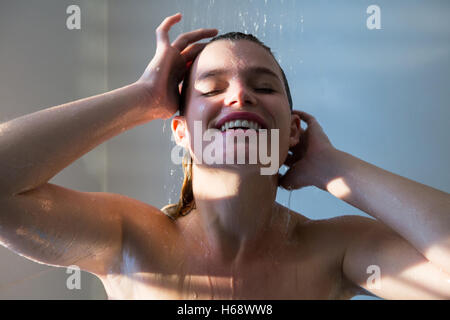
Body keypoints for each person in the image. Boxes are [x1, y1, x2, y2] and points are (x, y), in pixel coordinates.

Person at [0, 12, 449, 300]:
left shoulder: (337, 250)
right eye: (212, 89)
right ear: (181, 132)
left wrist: (335, 168)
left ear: (292, 129)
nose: (239, 97)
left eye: (264, 87)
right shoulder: (128, 240)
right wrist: (141, 98)